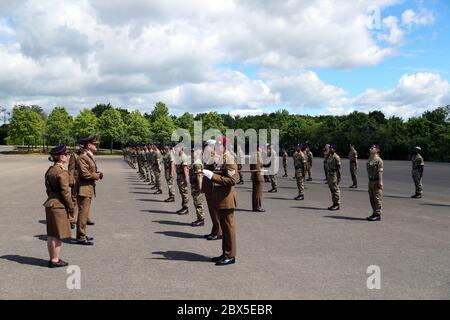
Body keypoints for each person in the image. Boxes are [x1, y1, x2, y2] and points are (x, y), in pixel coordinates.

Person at [202, 137, 238, 266]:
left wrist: (212, 176)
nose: (216, 148)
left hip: (227, 199)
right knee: (224, 227)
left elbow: (232, 180)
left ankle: (230, 255)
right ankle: (225, 253)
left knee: (228, 228)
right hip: (220, 197)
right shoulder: (220, 158)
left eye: (218, 145)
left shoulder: (228, 159)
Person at [44, 145, 74, 268]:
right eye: (65, 154)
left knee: (51, 234)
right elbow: (65, 191)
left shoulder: (50, 170)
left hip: (50, 202)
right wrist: (71, 206)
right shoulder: (62, 172)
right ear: (61, 157)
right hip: (59, 205)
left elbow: (47, 188)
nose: (66, 156)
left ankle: (53, 258)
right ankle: (55, 260)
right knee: (57, 235)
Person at [76, 136, 103, 245]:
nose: (96, 145)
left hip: (88, 188)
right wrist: (97, 175)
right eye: (94, 144)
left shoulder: (89, 156)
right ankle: (81, 237)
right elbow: (85, 174)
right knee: (83, 214)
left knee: (85, 213)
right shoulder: (83, 157)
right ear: (88, 145)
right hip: (84, 189)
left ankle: (82, 233)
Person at [201, 140, 222, 241]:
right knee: (212, 211)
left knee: (215, 211)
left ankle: (218, 232)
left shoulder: (215, 157)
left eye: (207, 146)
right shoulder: (210, 156)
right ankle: (215, 230)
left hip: (214, 188)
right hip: (209, 188)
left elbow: (217, 173)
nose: (205, 148)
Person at [68, 146, 84, 229]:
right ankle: (71, 219)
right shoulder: (74, 155)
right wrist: (70, 181)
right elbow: (71, 169)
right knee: (74, 200)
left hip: (85, 182)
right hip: (76, 180)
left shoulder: (87, 155)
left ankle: (84, 218)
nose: (83, 148)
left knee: (84, 201)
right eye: (82, 147)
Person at [366, 145, 384, 221]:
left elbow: (380, 172)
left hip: (376, 181)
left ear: (377, 150)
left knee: (377, 198)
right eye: (370, 148)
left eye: (372, 148)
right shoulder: (370, 158)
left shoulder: (378, 160)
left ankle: (378, 214)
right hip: (371, 181)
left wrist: (380, 181)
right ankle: (374, 212)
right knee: (371, 198)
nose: (370, 149)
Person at [190, 148, 206, 226]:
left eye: (193, 152)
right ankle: (199, 218)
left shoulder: (197, 163)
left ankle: (201, 219)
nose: (192, 153)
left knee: (198, 202)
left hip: (197, 186)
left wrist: (200, 187)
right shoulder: (196, 161)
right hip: (194, 185)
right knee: (196, 202)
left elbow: (199, 176)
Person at [175, 145, 189, 215]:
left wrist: (186, 178)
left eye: (178, 148)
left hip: (182, 177)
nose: (176, 149)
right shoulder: (179, 156)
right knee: (182, 192)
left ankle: (186, 208)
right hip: (179, 176)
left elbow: (185, 168)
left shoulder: (183, 157)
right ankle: (183, 206)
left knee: (184, 192)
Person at [327, 145, 341, 211]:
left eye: (331, 148)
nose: (330, 149)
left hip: (334, 174)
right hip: (330, 174)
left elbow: (338, 168)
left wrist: (338, 176)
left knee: (335, 189)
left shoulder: (336, 157)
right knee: (332, 189)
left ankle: (337, 204)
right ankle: (334, 203)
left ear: (334, 149)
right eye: (330, 148)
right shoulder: (330, 156)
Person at [251, 146, 265, 212]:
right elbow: (257, 167)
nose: (262, 149)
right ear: (258, 148)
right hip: (258, 176)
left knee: (255, 192)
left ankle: (255, 206)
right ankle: (257, 207)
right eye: (261, 148)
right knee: (258, 192)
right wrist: (259, 177)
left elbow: (251, 167)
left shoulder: (254, 154)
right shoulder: (257, 155)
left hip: (255, 175)